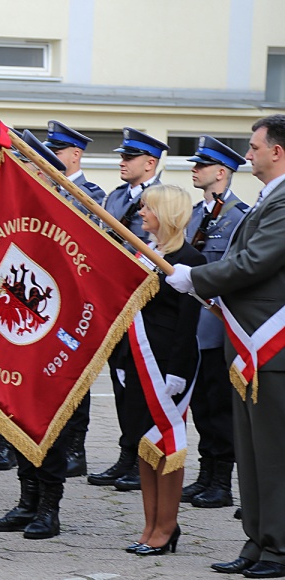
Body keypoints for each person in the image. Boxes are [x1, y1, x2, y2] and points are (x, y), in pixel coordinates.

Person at [166, 114, 285, 578]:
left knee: (273, 453)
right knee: (252, 452)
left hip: (271, 344)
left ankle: (278, 547)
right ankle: (258, 541)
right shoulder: (267, 199)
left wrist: (194, 276)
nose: (248, 154)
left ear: (277, 150)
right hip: (248, 342)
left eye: (254, 147)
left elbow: (255, 262)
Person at [0, 131, 79, 539]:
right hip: (18, 334)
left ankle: (49, 508)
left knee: (50, 421)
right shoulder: (15, 217)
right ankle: (27, 501)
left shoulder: (68, 214)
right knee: (17, 416)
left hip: (55, 337)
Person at [118, 184, 204, 556]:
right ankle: (150, 523)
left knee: (167, 444)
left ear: (166, 212)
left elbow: (189, 323)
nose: (141, 213)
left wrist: (178, 371)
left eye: (148, 208)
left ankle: (166, 528)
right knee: (144, 444)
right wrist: (122, 360)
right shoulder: (144, 252)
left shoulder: (190, 258)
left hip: (168, 363)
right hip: (138, 357)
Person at [90, 127, 169, 492]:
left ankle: (146, 458)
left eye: (129, 157)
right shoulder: (117, 196)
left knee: (143, 384)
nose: (121, 162)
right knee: (122, 382)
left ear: (150, 163)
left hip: (146, 305)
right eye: (121, 157)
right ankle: (127, 454)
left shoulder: (164, 198)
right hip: (115, 302)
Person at [181, 136, 248, 509]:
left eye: (202, 165)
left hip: (218, 325)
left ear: (221, 172)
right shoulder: (194, 214)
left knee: (220, 406)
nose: (195, 169)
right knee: (203, 406)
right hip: (192, 325)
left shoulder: (241, 217)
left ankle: (222, 481)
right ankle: (206, 473)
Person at [42, 120, 107, 478]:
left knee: (74, 372)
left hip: (75, 301)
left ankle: (75, 447)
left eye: (56, 151)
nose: (50, 157)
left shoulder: (91, 195)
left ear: (75, 155)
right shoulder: (45, 189)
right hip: (46, 298)